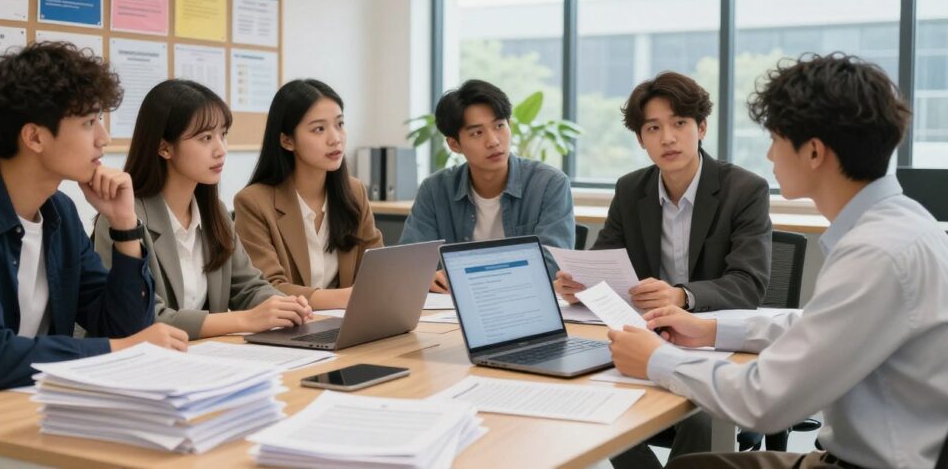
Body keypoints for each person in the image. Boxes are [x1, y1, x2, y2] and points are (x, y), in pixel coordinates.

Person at [607, 53, 948, 469]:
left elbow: (765, 401)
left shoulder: (875, 253)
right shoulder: (901, 225)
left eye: (775, 139)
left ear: (815, 152)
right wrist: (709, 327)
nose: (769, 156)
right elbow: (814, 326)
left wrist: (657, 359)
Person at [0, 42, 187, 395]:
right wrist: (119, 350)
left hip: (34, 404)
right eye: (88, 122)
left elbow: (123, 327)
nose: (103, 139)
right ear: (34, 137)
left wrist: (124, 223)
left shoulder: (58, 210)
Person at [555, 71, 772, 467]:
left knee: (700, 416)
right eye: (653, 128)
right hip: (647, 334)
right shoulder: (630, 189)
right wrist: (580, 284)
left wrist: (681, 295)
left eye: (679, 124)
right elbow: (605, 262)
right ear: (640, 139)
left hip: (710, 340)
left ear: (701, 127)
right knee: (596, 399)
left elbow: (749, 284)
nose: (667, 138)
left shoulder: (744, 190)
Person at [93, 80, 312, 340]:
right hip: (138, 364)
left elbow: (247, 286)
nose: (221, 150)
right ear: (164, 147)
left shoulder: (215, 212)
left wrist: (283, 306)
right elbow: (145, 316)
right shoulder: (122, 219)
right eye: (205, 138)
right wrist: (244, 319)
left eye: (223, 134)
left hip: (200, 358)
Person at [400, 79, 575, 292]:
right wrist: (427, 277)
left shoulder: (549, 184)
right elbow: (410, 264)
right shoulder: (435, 190)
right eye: (477, 133)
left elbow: (551, 267)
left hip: (524, 307)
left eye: (499, 126)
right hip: (449, 313)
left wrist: (467, 278)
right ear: (454, 144)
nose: (493, 141)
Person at [234, 79, 382, 310]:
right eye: (319, 129)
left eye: (340, 124)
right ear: (287, 140)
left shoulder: (354, 192)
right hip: (290, 328)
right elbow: (267, 287)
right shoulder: (253, 202)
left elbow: (377, 268)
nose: (335, 138)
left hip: (349, 324)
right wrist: (348, 297)